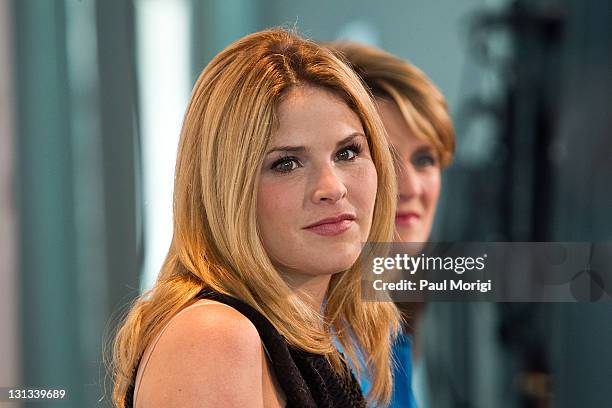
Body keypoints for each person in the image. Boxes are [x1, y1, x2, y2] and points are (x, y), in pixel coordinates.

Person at [110, 29, 403, 408]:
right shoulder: (212, 336)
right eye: (286, 163)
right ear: (225, 190)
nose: (332, 187)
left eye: (347, 153)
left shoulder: (310, 343)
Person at [328, 42, 455, 407]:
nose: (412, 187)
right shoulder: (313, 338)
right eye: (386, 157)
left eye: (425, 159)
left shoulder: (387, 321)